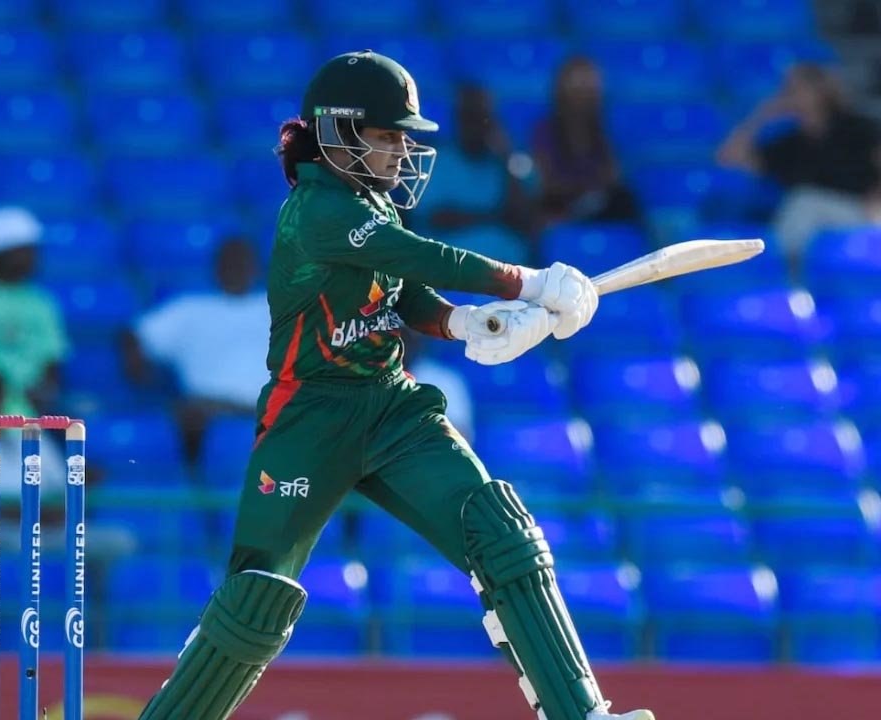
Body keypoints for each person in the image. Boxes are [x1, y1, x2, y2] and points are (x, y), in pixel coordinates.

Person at [137, 51, 651, 720]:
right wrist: (529, 282)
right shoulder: (315, 210)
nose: (403, 150)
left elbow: (402, 289)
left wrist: (463, 322)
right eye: (388, 136)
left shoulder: (371, 201)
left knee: (500, 535)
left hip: (392, 406)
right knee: (254, 599)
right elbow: (415, 255)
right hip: (311, 416)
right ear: (339, 132)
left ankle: (581, 713)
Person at [126, 237, 270, 466]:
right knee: (185, 416)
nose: (236, 269)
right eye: (229, 263)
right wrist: (138, 367)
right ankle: (194, 478)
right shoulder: (190, 308)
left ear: (256, 268)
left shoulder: (278, 307)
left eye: (242, 263)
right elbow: (136, 335)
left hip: (272, 407)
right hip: (207, 411)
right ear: (216, 267)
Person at [716, 63, 881, 262]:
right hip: (813, 232)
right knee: (801, 206)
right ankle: (774, 268)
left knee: (804, 202)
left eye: (797, 89)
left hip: (860, 213)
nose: (790, 95)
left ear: (820, 91)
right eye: (787, 90)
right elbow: (728, 157)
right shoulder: (789, 142)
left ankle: (773, 263)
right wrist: (762, 116)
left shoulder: (858, 128)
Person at [417, 83, 537, 264]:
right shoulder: (435, 160)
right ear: (457, 119)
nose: (474, 126)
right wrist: (493, 217)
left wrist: (505, 158)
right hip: (447, 257)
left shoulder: (507, 162)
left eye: (482, 118)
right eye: (468, 117)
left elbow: (523, 218)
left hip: (504, 258)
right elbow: (436, 218)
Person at [0, 206, 69, 418]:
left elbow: (52, 359)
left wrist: (44, 393)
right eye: (22, 251)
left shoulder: (42, 301)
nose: (31, 257)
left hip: (27, 408)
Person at [532, 57, 640, 228]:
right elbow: (545, 183)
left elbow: (613, 177)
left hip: (599, 206)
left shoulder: (604, 132)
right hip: (561, 207)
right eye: (578, 88)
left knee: (625, 200)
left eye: (589, 88)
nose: (583, 95)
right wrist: (582, 189)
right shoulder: (544, 131)